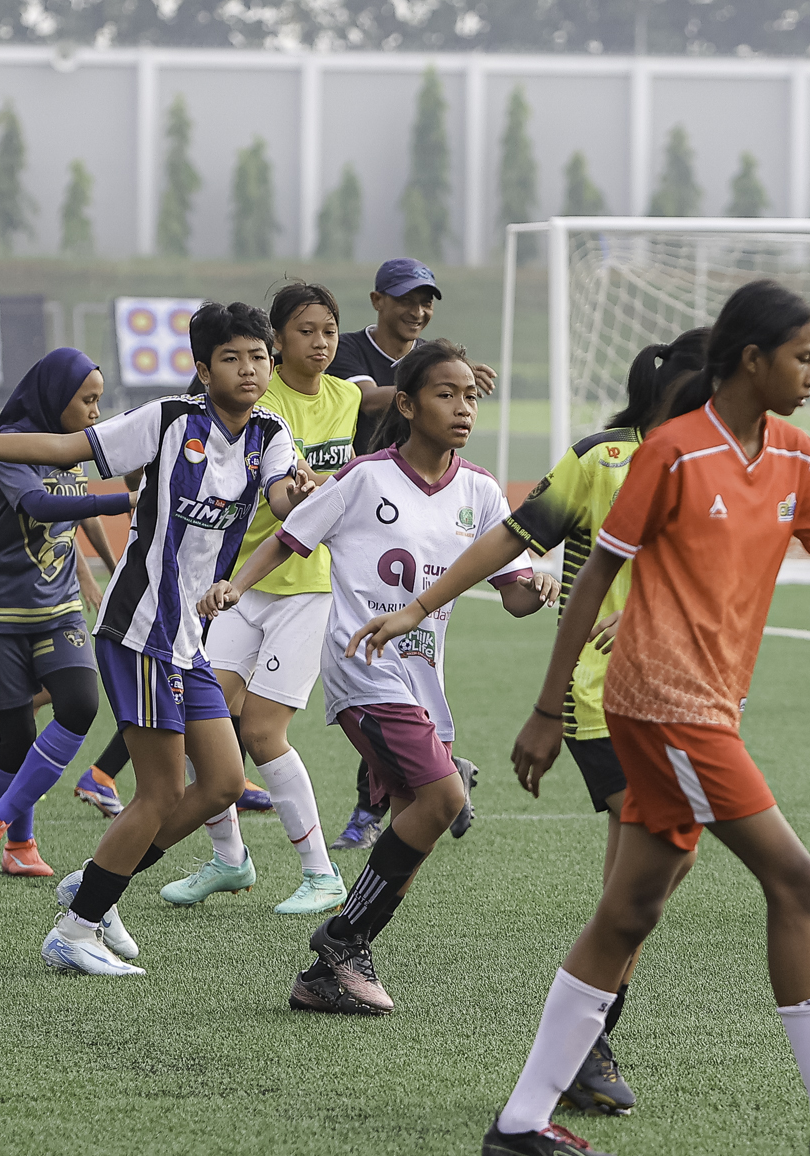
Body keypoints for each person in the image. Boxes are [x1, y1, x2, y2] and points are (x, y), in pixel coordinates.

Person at [355, 280, 810, 1156]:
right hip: (662, 707)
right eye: (801, 357)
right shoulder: (671, 454)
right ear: (751, 360)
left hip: (708, 708)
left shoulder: (795, 457)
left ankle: (522, 1120)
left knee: (633, 905)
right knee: (796, 879)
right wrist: (543, 707)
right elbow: (594, 577)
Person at [0, 302, 311, 977]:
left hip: (188, 638)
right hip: (139, 628)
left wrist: (302, 491)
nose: (249, 369)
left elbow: (285, 501)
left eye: (259, 356)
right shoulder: (170, 421)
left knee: (224, 783)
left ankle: (97, 882)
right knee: (158, 793)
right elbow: (65, 451)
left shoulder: (270, 433)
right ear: (203, 369)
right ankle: (76, 927)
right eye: (231, 358)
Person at [353, 329, 709, 1106]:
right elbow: (507, 542)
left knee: (653, 874)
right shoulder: (603, 458)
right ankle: (580, 1048)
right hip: (601, 691)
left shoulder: (718, 460)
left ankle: (582, 1039)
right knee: (658, 865)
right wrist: (416, 607)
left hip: (688, 693)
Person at [203, 339, 550, 1014]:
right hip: (364, 668)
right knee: (443, 801)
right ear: (409, 403)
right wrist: (236, 587)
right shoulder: (364, 477)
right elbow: (289, 535)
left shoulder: (479, 490)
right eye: (445, 394)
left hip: (423, 682)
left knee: (417, 821)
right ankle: (342, 937)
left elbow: (511, 592)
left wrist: (533, 588)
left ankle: (331, 964)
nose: (462, 407)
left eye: (470, 395)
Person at [161, 281, 362, 915]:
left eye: (330, 329)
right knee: (208, 720)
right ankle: (229, 860)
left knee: (263, 730)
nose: (322, 342)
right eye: (306, 330)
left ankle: (321, 873)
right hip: (238, 580)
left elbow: (387, 391)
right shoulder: (253, 397)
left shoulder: (350, 397)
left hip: (309, 585)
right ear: (276, 342)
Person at [325, 257, 496, 851]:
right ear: (377, 300)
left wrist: (449, 383)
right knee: (363, 667)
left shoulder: (476, 483)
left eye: (427, 301)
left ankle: (384, 802)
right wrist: (443, 381)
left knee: (395, 664)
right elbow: (368, 400)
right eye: (406, 299)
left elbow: (514, 573)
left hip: (414, 519)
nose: (418, 311)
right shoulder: (348, 352)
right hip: (353, 516)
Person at [0, 348, 132, 878]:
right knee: (16, 737)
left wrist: (103, 563)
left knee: (79, 704)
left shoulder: (73, 448)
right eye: (88, 400)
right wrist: (120, 502)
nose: (96, 411)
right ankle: (21, 846)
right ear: (56, 397)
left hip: (58, 610)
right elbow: (42, 507)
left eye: (100, 400)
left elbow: (76, 510)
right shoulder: (13, 447)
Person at [0, 517, 120, 799]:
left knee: (46, 687)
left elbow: (71, 514)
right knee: (60, 686)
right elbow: (70, 513)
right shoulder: (36, 474)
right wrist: (92, 574)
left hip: (48, 588)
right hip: (34, 591)